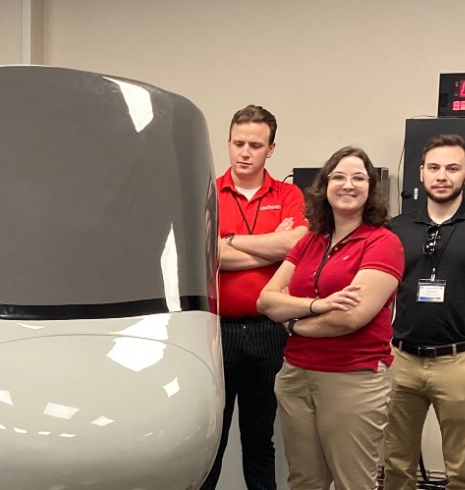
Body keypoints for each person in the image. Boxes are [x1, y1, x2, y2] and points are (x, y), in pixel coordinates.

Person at [256, 146, 404, 489]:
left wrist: (292, 321)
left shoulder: (383, 243)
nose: (347, 184)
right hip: (296, 376)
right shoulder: (310, 241)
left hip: (352, 378)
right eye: (338, 177)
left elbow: (350, 317)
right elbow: (266, 300)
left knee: (353, 482)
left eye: (358, 178)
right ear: (325, 186)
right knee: (305, 481)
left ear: (371, 189)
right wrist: (317, 305)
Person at [383, 135, 465, 490]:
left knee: (462, 470)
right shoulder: (397, 228)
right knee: (396, 464)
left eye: (452, 168)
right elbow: (382, 292)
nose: (442, 176)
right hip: (402, 360)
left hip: (459, 361)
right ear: (421, 173)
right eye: (434, 167)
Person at [203, 104, 307, 490]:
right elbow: (206, 253)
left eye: (255, 145)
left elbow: (296, 244)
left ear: (271, 149)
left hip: (269, 331)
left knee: (260, 439)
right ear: (228, 143)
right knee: (211, 441)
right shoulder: (208, 192)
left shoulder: (288, 194)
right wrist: (270, 247)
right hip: (216, 333)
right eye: (238, 143)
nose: (244, 153)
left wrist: (229, 243)